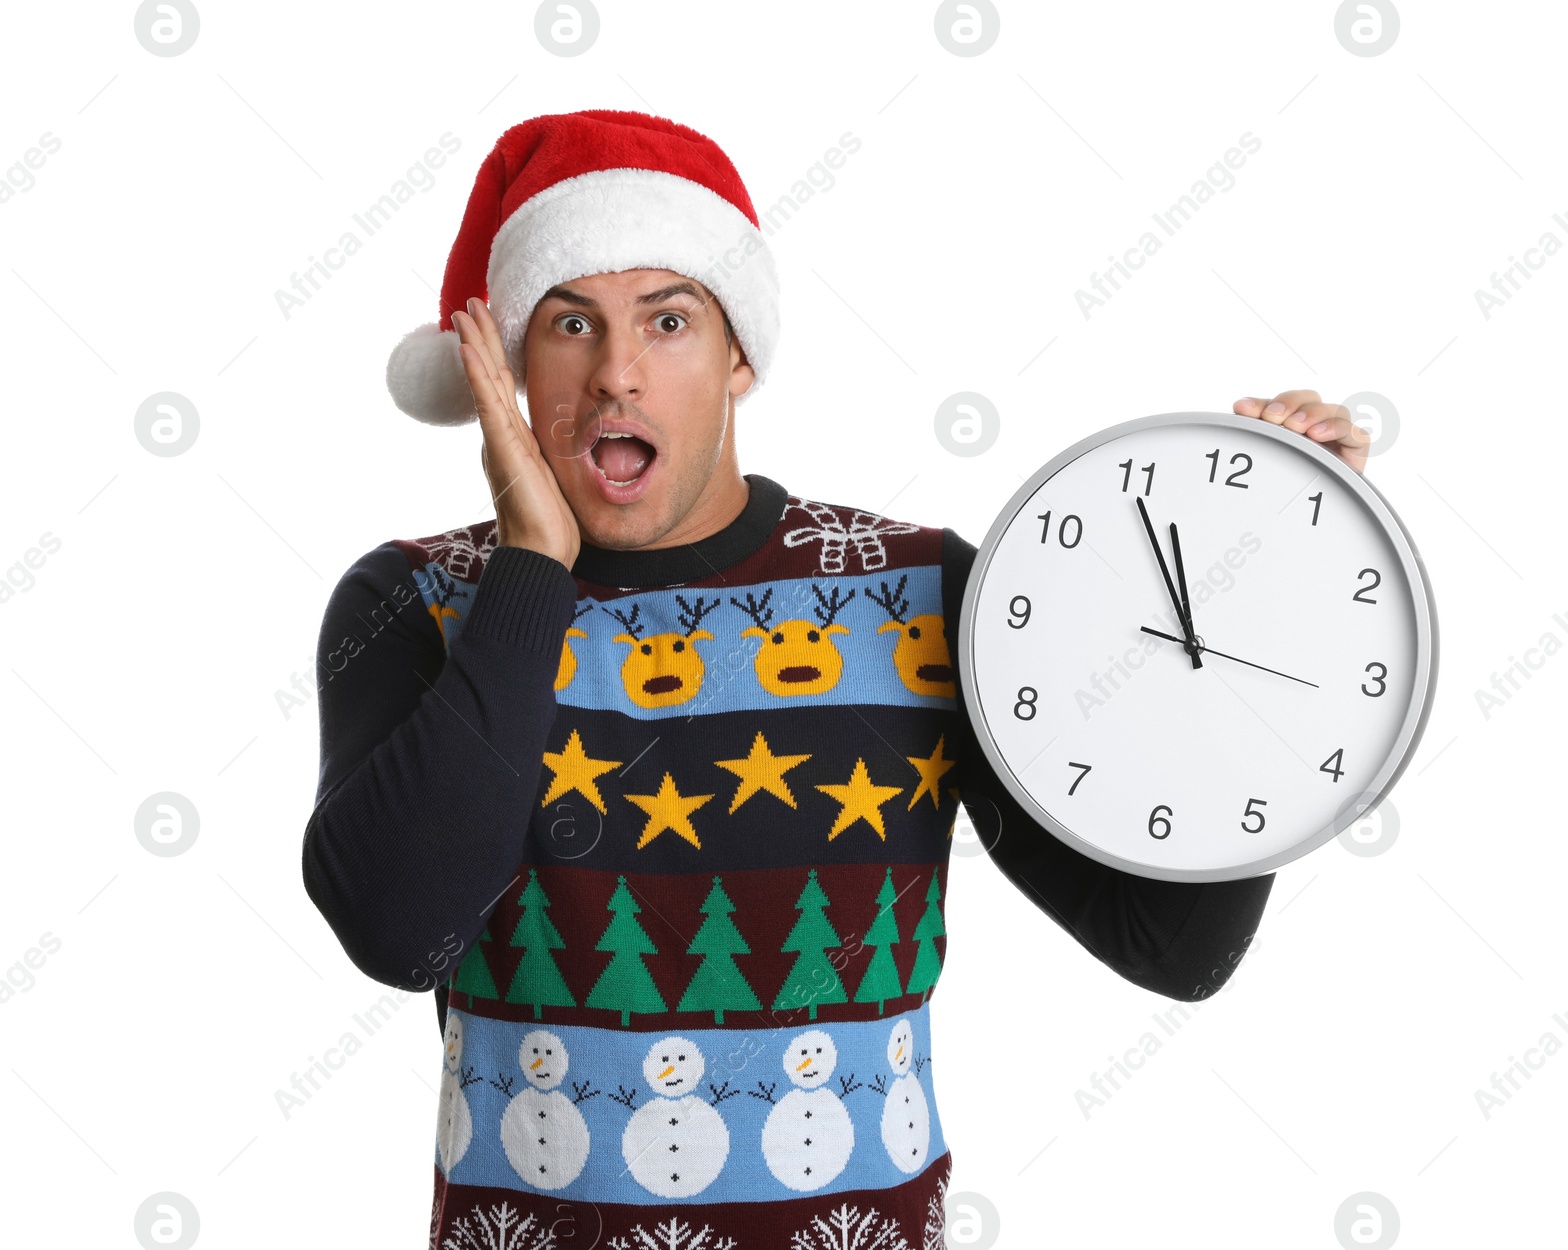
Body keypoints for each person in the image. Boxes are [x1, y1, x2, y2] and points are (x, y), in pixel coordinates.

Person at [301, 109, 1372, 1248]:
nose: (616, 373)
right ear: (512, 367)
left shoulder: (919, 590)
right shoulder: (416, 600)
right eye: (570, 324)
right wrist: (530, 570)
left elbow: (1175, 945)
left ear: (738, 355)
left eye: (668, 319)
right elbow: (397, 929)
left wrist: (1263, 584)